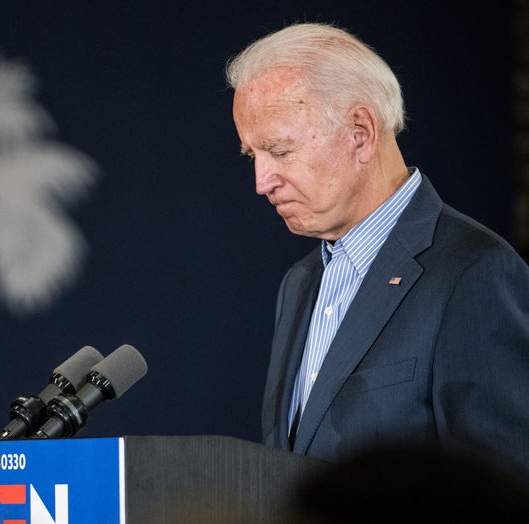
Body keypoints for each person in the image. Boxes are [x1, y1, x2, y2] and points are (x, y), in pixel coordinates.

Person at [225, 22, 529, 484]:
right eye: (253, 156)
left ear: (361, 132)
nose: (262, 181)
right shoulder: (301, 282)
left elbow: (501, 491)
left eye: (279, 151)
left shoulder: (475, 271)